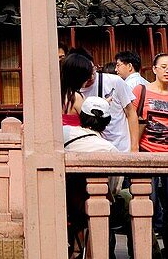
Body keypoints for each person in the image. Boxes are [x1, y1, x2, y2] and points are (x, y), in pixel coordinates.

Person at [64, 96, 121, 257]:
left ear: (81, 115)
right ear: (107, 121)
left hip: (65, 199)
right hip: (91, 205)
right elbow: (115, 187)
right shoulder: (109, 149)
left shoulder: (65, 132)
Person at [133, 52, 168, 245]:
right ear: (154, 69)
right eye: (163, 66)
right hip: (147, 154)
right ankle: (145, 248)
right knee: (148, 204)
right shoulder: (142, 91)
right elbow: (132, 119)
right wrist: (133, 151)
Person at [73, 48, 138, 152]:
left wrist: (135, 147)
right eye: (87, 74)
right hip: (94, 149)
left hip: (122, 147)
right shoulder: (73, 93)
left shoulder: (115, 81)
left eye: (93, 70)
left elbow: (131, 113)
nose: (91, 76)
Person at [61, 52, 93, 127]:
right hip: (76, 136)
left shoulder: (58, 94)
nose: (89, 78)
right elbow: (89, 124)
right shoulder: (76, 97)